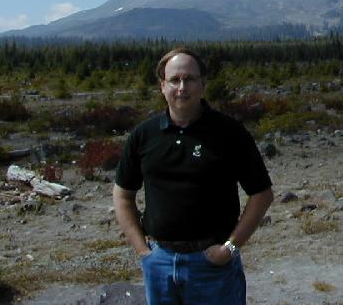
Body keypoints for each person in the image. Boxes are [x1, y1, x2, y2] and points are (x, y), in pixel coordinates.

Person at [113, 48, 273, 304]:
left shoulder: (229, 133)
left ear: (203, 84)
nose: (182, 87)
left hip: (213, 264)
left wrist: (229, 249)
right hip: (160, 263)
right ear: (162, 86)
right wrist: (143, 251)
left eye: (190, 79)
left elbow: (262, 193)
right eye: (175, 80)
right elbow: (122, 195)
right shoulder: (144, 135)